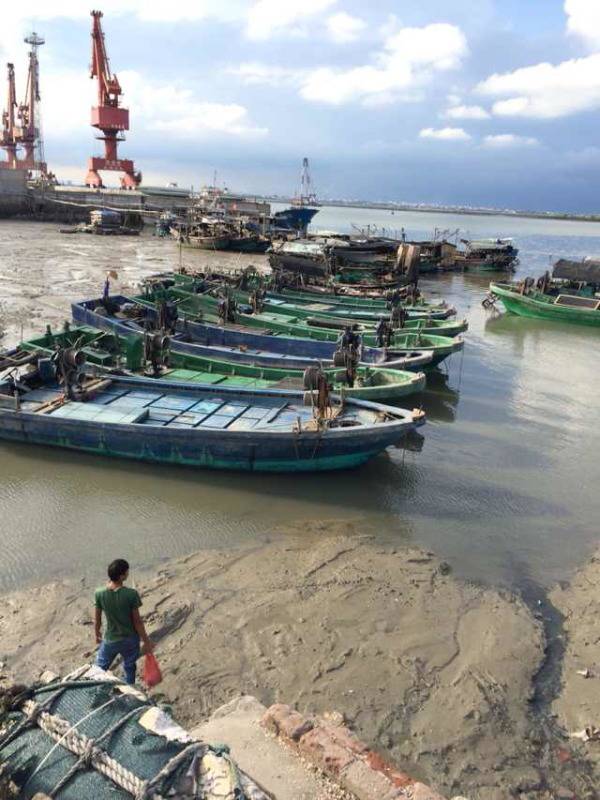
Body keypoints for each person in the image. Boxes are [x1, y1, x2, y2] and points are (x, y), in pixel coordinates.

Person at [94, 558, 153, 685]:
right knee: (129, 666)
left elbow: (97, 618)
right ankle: (129, 689)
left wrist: (97, 634)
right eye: (127, 571)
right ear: (122, 576)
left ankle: (94, 688)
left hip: (110, 638)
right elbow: (137, 622)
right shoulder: (131, 594)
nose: (128, 573)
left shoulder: (99, 593)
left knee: (99, 667)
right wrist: (146, 641)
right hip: (130, 639)